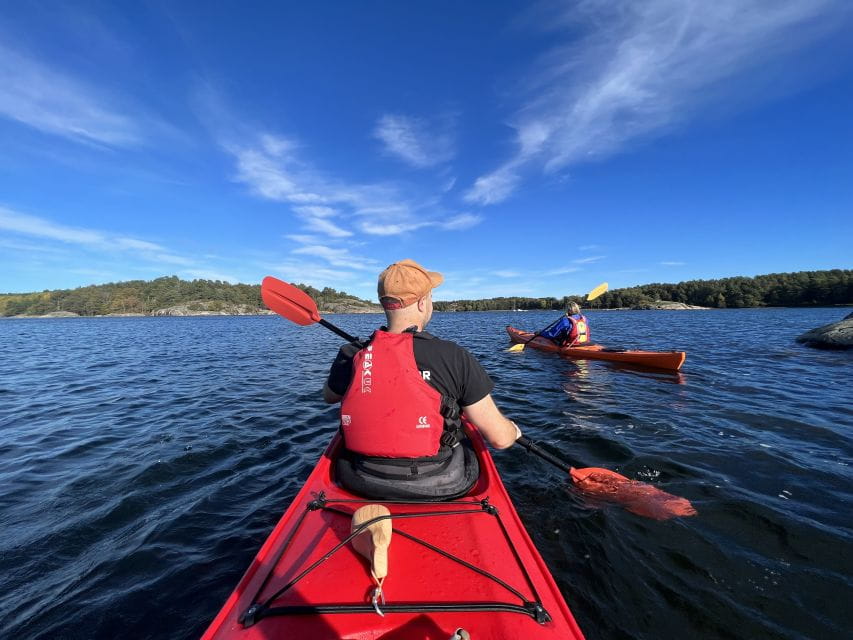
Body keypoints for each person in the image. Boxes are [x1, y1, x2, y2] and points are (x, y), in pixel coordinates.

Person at [322, 258, 522, 500]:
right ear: (422, 303)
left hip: (361, 477)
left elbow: (329, 396)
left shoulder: (352, 353)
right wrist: (513, 431)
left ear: (385, 303)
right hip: (438, 480)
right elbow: (500, 440)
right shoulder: (453, 356)